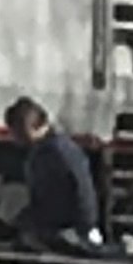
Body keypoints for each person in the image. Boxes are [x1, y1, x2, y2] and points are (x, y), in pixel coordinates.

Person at [6, 96, 101, 249]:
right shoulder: (41, 153)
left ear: (29, 127)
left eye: (16, 132)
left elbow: (83, 190)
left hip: (68, 231)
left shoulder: (60, 153)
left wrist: (84, 229)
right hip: (53, 228)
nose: (14, 138)